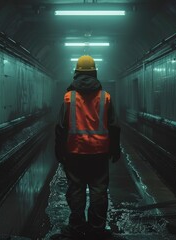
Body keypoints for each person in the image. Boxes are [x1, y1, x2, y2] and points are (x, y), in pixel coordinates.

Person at [53, 55, 121, 240]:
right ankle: (97, 228)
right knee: (99, 190)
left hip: (75, 153)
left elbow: (60, 128)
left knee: (76, 189)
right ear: (94, 73)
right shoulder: (105, 97)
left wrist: (60, 152)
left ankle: (76, 227)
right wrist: (116, 149)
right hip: (99, 153)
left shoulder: (69, 98)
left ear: (76, 73)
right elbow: (114, 126)